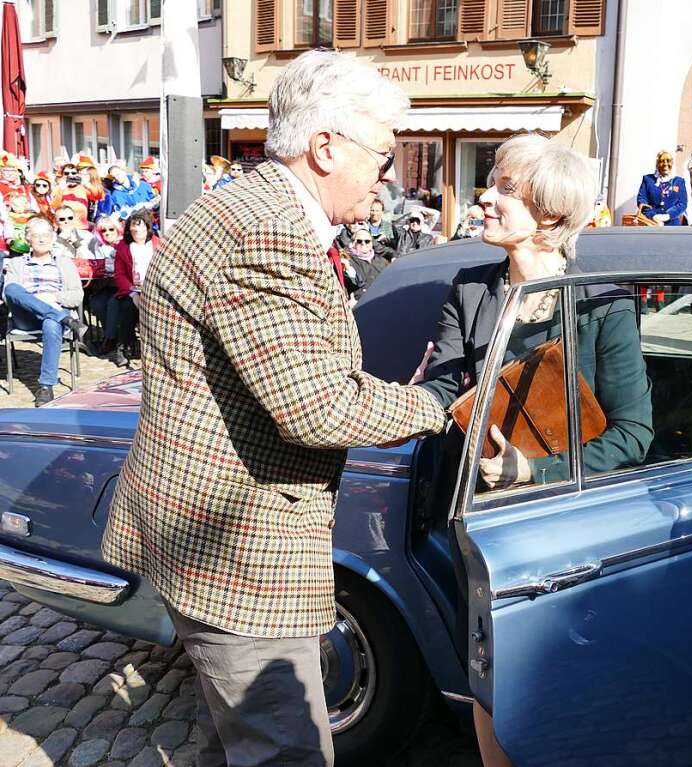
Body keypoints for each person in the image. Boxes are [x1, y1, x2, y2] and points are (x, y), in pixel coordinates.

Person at [100, 49, 446, 767]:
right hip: (237, 555)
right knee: (286, 751)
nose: (388, 177)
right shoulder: (268, 229)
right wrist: (436, 405)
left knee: (246, 736)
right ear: (327, 147)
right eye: (384, 156)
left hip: (211, 534)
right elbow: (317, 408)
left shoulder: (254, 206)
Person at [415, 133, 653, 764]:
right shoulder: (471, 287)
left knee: (562, 680)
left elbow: (634, 433)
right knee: (489, 681)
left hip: (567, 524)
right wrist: (403, 408)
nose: (485, 197)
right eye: (492, 182)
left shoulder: (601, 304)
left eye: (505, 188)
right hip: (482, 522)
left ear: (550, 214)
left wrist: (536, 469)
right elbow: (442, 385)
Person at [2, 216, 87, 406]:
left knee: (51, 323)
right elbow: (10, 295)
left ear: (52, 238)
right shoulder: (17, 264)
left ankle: (46, 387)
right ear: (28, 239)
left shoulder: (64, 263)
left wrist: (56, 297)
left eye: (46, 235)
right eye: (36, 235)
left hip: (54, 310)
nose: (41, 239)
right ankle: (64, 319)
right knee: (11, 288)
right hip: (25, 316)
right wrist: (36, 301)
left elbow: (77, 295)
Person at [112, 211, 159, 365]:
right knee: (128, 309)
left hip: (154, 289)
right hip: (132, 289)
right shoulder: (123, 247)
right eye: (134, 226)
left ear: (147, 228)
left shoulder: (157, 244)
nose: (137, 230)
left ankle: (156, 350)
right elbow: (119, 275)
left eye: (140, 226)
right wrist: (132, 293)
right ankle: (122, 346)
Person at [88, 215, 125, 364]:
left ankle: (110, 338)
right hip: (104, 284)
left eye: (111, 229)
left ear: (117, 230)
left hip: (121, 286)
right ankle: (111, 333)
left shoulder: (124, 245)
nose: (108, 233)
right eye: (104, 231)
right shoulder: (97, 247)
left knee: (113, 303)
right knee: (96, 304)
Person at [636, 150, 692, 226]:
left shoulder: (679, 181)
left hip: (673, 225)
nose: (665, 164)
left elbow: (682, 203)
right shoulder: (647, 179)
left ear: (672, 163)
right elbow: (642, 200)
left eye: (668, 161)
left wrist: (667, 216)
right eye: (662, 161)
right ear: (657, 164)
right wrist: (653, 215)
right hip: (651, 223)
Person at [346, 224, 389, 298]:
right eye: (359, 241)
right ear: (353, 243)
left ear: (372, 243)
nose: (363, 243)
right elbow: (354, 285)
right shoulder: (348, 261)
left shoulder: (382, 261)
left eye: (367, 241)